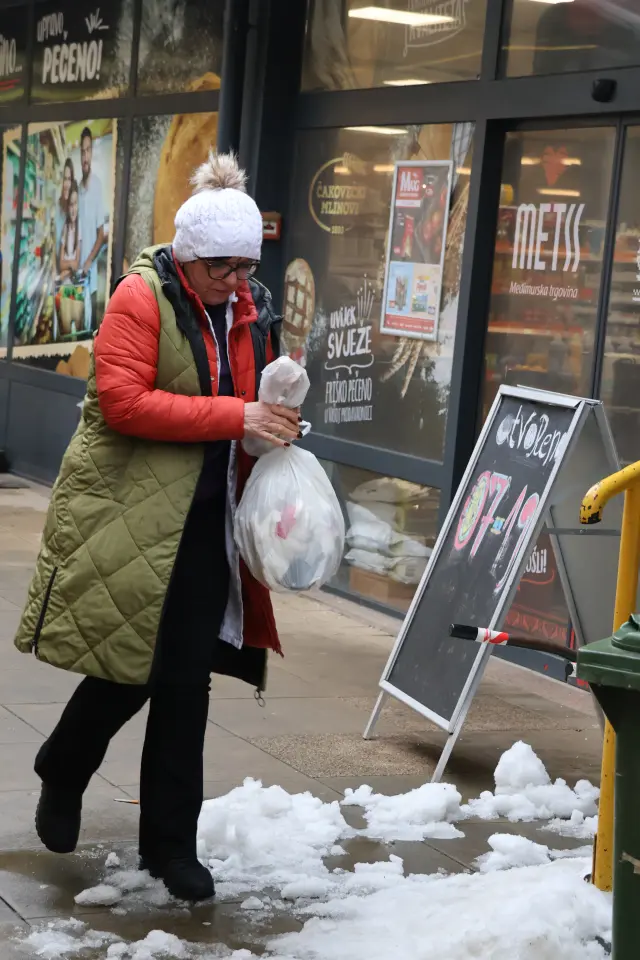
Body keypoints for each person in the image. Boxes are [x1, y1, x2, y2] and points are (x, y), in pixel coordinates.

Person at [14, 151, 300, 903]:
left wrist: (275, 415)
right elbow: (123, 402)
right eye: (226, 270)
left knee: (185, 684)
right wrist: (237, 415)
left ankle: (170, 847)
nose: (240, 283)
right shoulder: (139, 299)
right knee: (125, 667)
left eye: (247, 267)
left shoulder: (248, 306)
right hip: (132, 511)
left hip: (210, 521)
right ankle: (65, 765)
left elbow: (252, 393)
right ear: (188, 256)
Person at [78, 127, 106, 329]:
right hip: (76, 277)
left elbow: (101, 235)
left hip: (91, 279)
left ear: (92, 153)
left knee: (91, 329)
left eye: (88, 150)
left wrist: (88, 262)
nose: (85, 156)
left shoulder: (97, 186)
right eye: (82, 151)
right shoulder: (77, 190)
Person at [59, 180, 81, 281]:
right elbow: (60, 264)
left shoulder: (79, 229)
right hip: (64, 283)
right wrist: (71, 265)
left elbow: (76, 265)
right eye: (71, 205)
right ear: (68, 207)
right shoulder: (65, 228)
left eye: (75, 204)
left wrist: (66, 271)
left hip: (73, 281)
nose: (73, 209)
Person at [55, 158, 74, 272]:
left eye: (69, 179)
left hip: (69, 273)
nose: (66, 184)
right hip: (57, 272)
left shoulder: (74, 211)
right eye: (64, 179)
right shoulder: (57, 208)